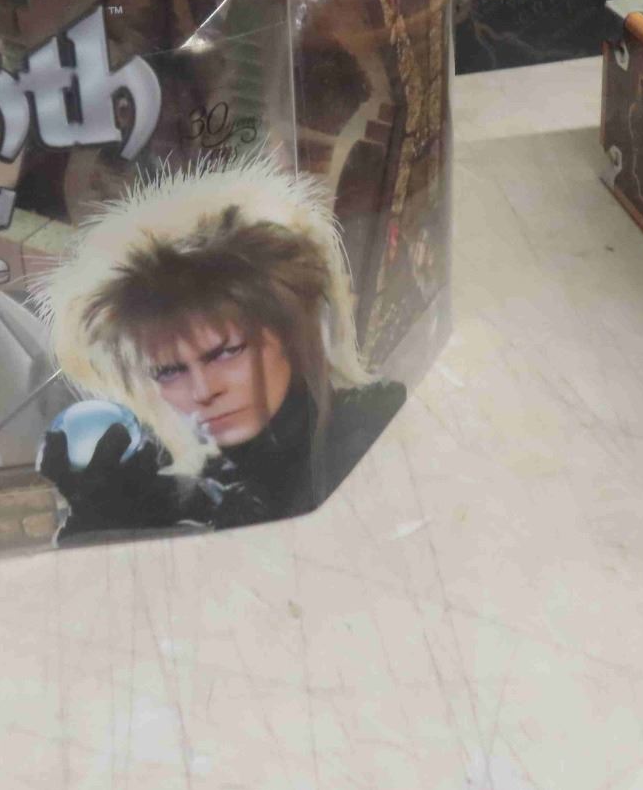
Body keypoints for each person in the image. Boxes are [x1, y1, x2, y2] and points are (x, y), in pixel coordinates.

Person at [34, 157, 404, 545]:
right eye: (169, 371)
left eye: (227, 353)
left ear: (292, 332)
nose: (204, 391)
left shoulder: (374, 431)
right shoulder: (186, 490)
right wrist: (103, 527)